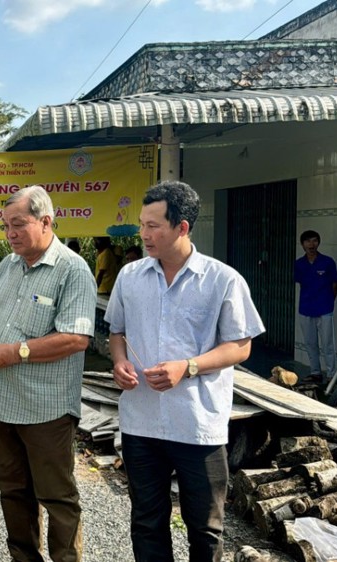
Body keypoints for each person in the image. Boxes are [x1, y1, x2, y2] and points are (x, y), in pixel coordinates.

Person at [105, 181, 264, 562]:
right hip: (141, 422)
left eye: (153, 226)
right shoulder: (130, 277)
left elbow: (241, 346)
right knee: (147, 522)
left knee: (205, 528)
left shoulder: (222, 279)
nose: (143, 234)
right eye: (142, 224)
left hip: (197, 424)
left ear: (182, 227)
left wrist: (188, 367)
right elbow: (117, 331)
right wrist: (119, 361)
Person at [0, 185, 96, 562]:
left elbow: (76, 338)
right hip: (3, 402)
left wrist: (16, 352)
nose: (10, 233)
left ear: (46, 222)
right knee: (12, 489)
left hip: (46, 408)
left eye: (18, 224)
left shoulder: (72, 270)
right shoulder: (8, 265)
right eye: (6, 226)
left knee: (56, 496)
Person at [294, 230, 337, 382]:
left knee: (327, 344)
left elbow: (335, 284)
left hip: (325, 310)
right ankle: (315, 372)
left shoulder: (327, 262)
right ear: (302, 244)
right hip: (305, 309)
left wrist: (329, 302)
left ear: (318, 243)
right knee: (310, 343)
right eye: (308, 241)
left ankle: (331, 375)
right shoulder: (299, 264)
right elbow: (301, 283)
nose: (311, 244)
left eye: (314, 241)